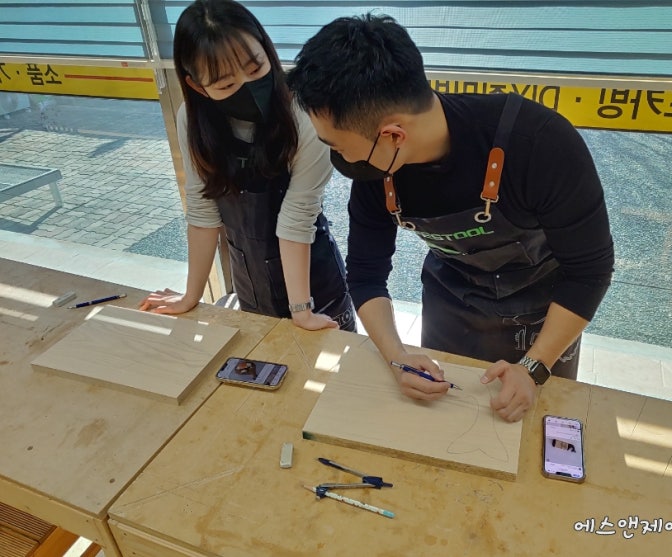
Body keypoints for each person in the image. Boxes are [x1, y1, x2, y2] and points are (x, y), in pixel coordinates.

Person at [287, 14, 614, 421]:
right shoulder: (377, 168)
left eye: (337, 145)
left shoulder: (539, 143)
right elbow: (366, 274)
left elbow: (589, 272)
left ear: (394, 135)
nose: (339, 158)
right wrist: (397, 357)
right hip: (451, 304)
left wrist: (534, 367)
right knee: (444, 423)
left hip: (544, 314)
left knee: (529, 433)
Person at [139, 0, 355, 332]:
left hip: (313, 279)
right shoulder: (192, 121)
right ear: (197, 86)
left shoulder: (306, 115)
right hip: (249, 279)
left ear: (268, 51)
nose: (248, 87)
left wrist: (302, 311)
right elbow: (202, 210)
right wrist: (191, 296)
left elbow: (297, 217)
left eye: (255, 69)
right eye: (226, 84)